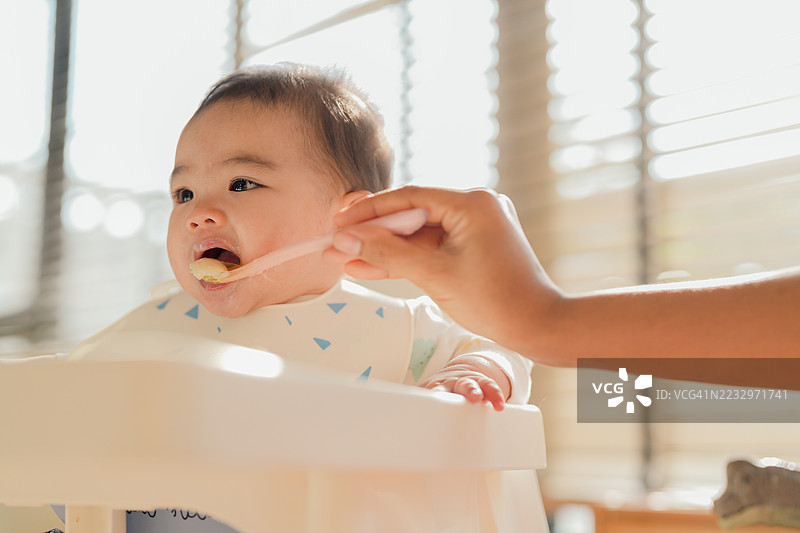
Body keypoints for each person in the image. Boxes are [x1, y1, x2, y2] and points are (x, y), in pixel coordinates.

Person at [323, 186, 800, 390]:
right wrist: (545, 320)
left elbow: (491, 352)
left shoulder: (408, 325)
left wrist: (482, 366)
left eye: (245, 184)